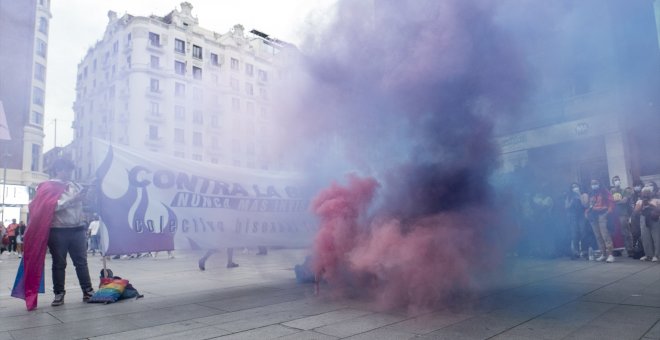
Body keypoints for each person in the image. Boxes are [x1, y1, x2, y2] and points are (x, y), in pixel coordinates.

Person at [12, 158, 95, 310]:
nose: (69, 173)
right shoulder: (47, 186)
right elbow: (48, 208)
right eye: (66, 170)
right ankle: (59, 293)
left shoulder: (75, 186)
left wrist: (86, 197)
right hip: (58, 231)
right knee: (59, 263)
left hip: (77, 228)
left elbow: (83, 205)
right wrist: (73, 199)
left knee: (81, 262)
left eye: (71, 170)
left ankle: (88, 291)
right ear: (58, 170)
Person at [586, 179, 615, 263]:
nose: (594, 185)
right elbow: (589, 205)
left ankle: (610, 255)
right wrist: (587, 212)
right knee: (598, 236)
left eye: (595, 183)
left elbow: (611, 203)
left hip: (602, 214)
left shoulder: (605, 192)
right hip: (593, 215)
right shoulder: (591, 193)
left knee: (605, 235)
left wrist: (608, 212)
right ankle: (603, 254)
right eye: (592, 183)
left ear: (599, 183)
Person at [635, 185, 660, 262]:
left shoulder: (657, 200)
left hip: (655, 219)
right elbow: (636, 211)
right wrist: (643, 202)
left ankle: (657, 255)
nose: (646, 194)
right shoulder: (639, 201)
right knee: (645, 238)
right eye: (644, 193)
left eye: (647, 193)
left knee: (656, 238)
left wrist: (650, 204)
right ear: (641, 194)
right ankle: (649, 255)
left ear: (651, 193)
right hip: (644, 219)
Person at [610, 176, 634, 256]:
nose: (617, 181)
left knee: (626, 232)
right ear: (612, 182)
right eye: (615, 180)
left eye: (617, 180)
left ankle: (630, 249)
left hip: (623, 214)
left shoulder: (625, 191)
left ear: (620, 181)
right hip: (613, 215)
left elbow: (624, 201)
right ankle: (618, 250)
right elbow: (609, 202)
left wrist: (615, 202)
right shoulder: (611, 191)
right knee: (615, 233)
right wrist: (617, 201)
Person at [565, 183, 588, 259]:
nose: (575, 188)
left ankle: (584, 251)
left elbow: (585, 205)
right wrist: (572, 200)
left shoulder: (584, 195)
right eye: (573, 187)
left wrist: (579, 196)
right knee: (574, 234)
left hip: (582, 216)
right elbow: (567, 207)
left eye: (576, 186)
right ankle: (576, 252)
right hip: (573, 217)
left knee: (583, 233)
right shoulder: (569, 196)